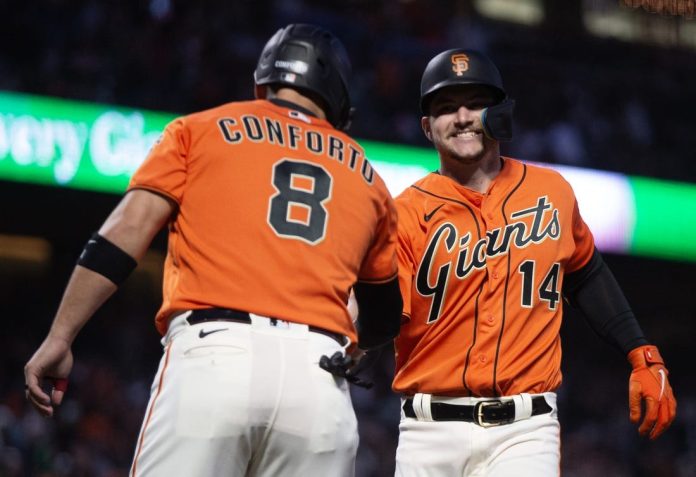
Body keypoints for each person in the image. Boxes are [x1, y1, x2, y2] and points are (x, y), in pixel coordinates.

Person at [24, 24, 402, 477]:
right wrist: (353, 349)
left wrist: (61, 336)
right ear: (338, 95)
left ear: (264, 79)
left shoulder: (200, 130)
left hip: (215, 357)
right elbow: (384, 315)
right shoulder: (369, 178)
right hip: (319, 381)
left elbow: (126, 231)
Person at [391, 48, 677, 476]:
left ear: (500, 112)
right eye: (446, 108)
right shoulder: (405, 212)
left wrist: (641, 352)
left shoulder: (551, 191)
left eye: (476, 103)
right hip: (428, 431)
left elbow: (586, 273)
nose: (463, 117)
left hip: (525, 430)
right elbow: (381, 311)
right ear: (427, 126)